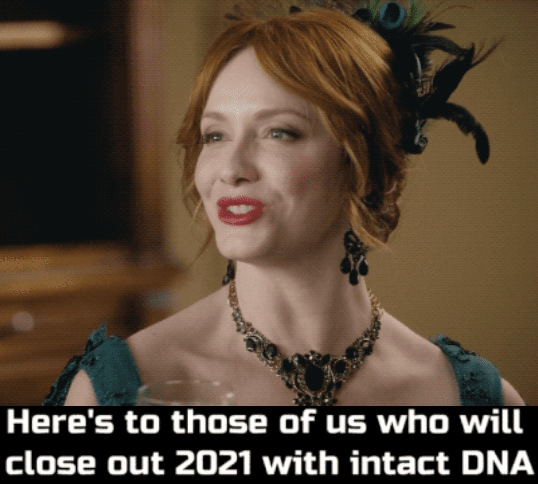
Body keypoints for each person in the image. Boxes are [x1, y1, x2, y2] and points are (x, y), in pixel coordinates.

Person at [45, 1, 525, 406]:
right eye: (214, 135)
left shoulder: (474, 398)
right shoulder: (122, 390)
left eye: (279, 132)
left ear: (363, 163)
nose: (231, 168)